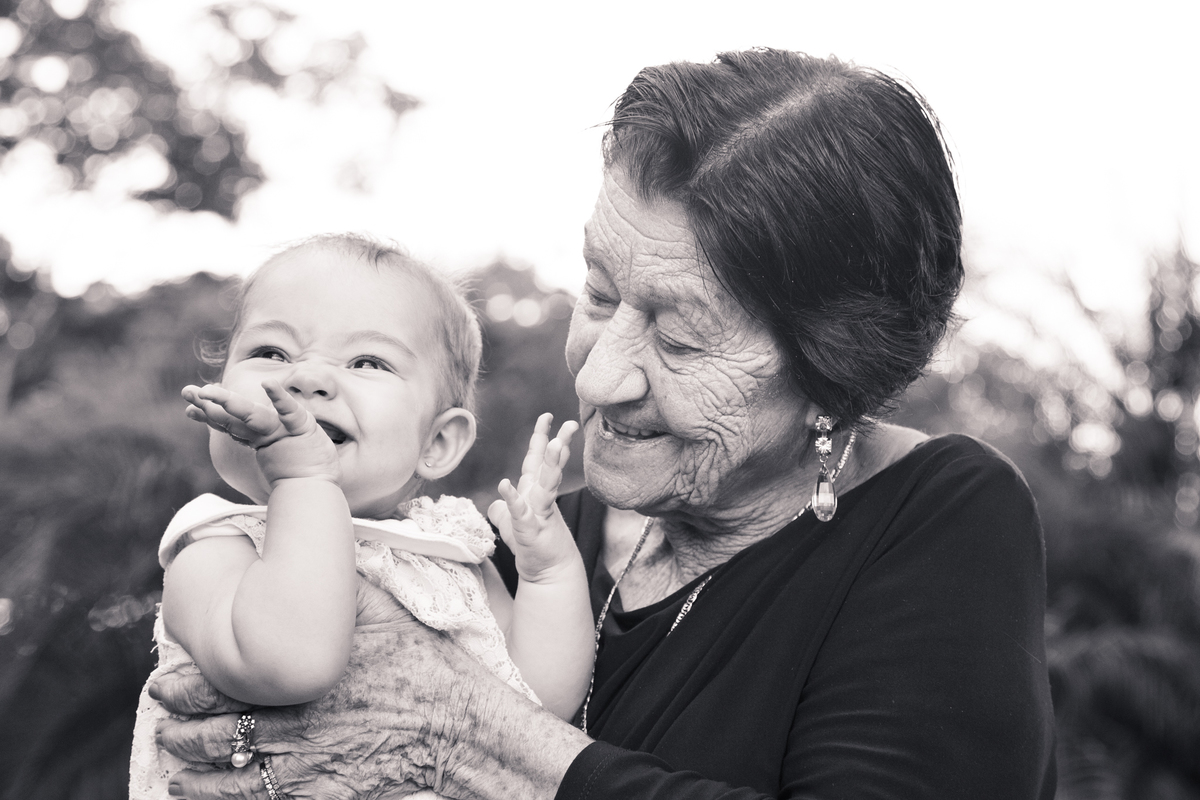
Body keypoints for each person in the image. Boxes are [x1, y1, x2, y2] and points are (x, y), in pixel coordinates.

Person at [153, 49, 1056, 799]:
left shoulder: (941, 518)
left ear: (835, 379)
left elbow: (444, 714)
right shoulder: (516, 553)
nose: (599, 368)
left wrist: (470, 734)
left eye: (681, 337)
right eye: (599, 292)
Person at [128, 234, 593, 799]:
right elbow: (291, 661)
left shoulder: (445, 551)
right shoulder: (215, 549)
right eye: (271, 353)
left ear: (440, 441)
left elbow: (535, 704)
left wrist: (548, 573)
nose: (306, 377)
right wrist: (304, 480)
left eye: (366, 361)